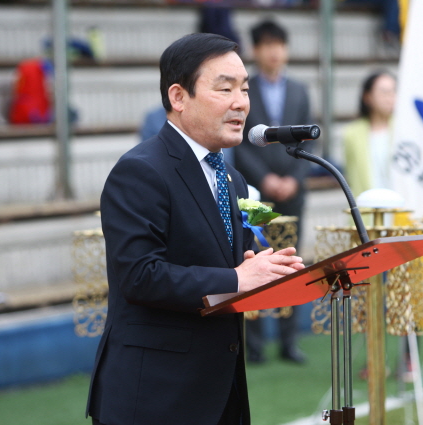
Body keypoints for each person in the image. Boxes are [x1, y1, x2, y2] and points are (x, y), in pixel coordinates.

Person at [86, 33, 305, 425]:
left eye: (244, 88)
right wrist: (238, 277)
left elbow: (232, 267)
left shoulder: (232, 179)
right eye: (225, 89)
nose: (241, 102)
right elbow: (140, 276)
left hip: (220, 393)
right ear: (178, 96)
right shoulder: (140, 170)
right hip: (155, 396)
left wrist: (269, 274)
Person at [233, 20, 311, 365]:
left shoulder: (299, 91)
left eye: (279, 44)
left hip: (292, 191)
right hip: (254, 191)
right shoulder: (244, 90)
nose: (274, 52)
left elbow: (309, 140)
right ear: (255, 50)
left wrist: (292, 177)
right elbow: (240, 141)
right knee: (251, 258)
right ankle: (255, 345)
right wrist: (264, 178)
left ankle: (288, 341)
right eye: (266, 45)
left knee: (290, 262)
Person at [343, 70, 397, 198]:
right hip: (367, 208)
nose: (390, 97)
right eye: (384, 92)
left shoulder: (404, 129)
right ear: (368, 96)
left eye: (393, 91)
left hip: (400, 210)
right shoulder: (352, 133)